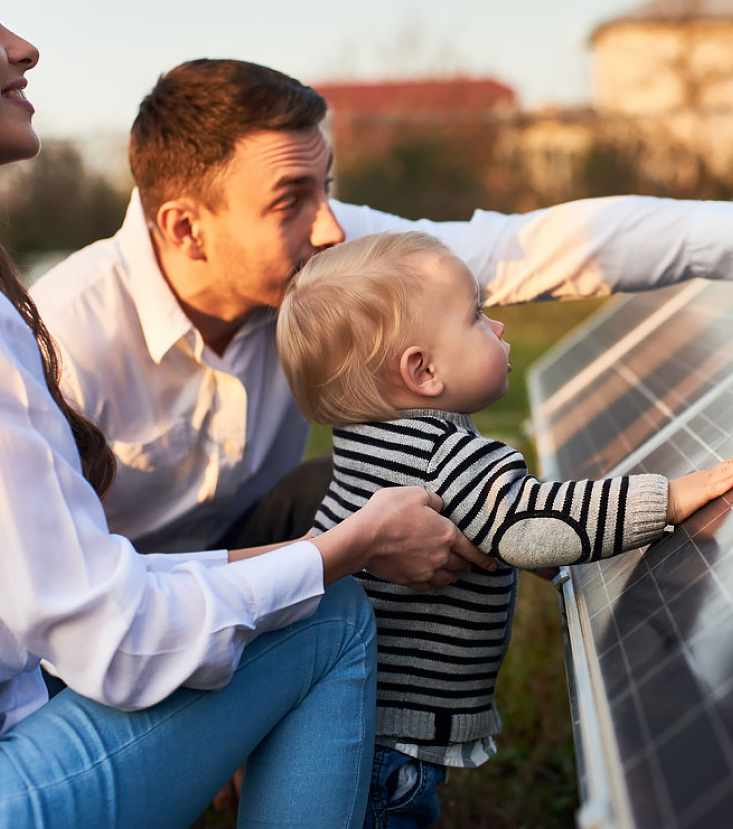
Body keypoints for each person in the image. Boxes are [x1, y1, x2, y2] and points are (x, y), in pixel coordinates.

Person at [0, 0, 496, 829]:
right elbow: (110, 640)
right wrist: (345, 550)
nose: (23, 45)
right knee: (329, 613)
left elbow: (75, 600)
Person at [31, 58, 733, 558]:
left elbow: (534, 248)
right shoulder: (63, 342)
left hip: (263, 547)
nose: (332, 227)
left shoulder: (326, 259)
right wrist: (343, 551)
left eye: (326, 186)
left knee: (380, 486)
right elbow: (64, 597)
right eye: (290, 200)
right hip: (115, 621)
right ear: (187, 228)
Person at [275, 229, 733, 828]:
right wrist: (669, 498)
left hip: (344, 719)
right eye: (477, 316)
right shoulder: (449, 454)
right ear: (423, 371)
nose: (497, 327)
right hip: (392, 750)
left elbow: (488, 527)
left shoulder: (364, 447)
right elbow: (529, 522)